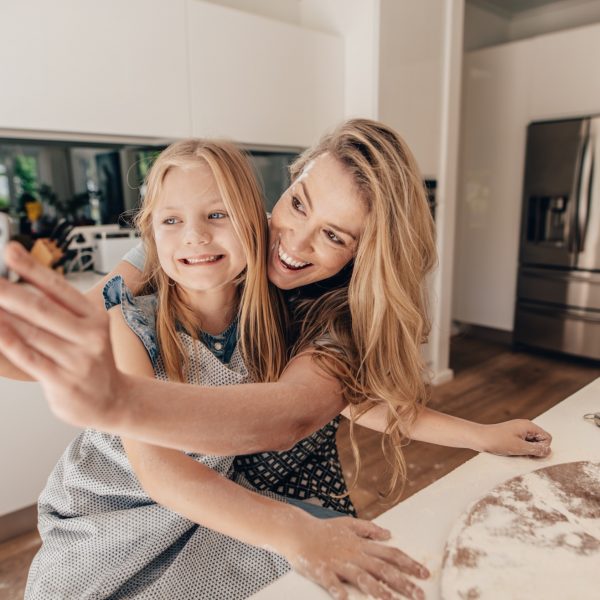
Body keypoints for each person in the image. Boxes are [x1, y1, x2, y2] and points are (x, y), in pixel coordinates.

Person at [0, 119, 551, 597]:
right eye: (298, 205)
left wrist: (478, 435)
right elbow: (81, 341)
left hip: (229, 503)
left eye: (333, 235)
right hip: (122, 509)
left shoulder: (313, 314)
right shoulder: (163, 282)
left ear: (364, 254)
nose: (295, 242)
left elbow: (334, 406)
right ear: (283, 189)